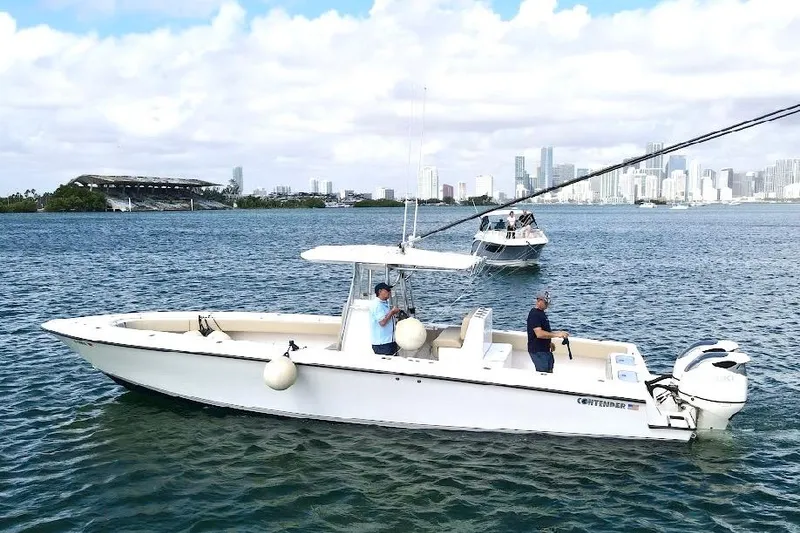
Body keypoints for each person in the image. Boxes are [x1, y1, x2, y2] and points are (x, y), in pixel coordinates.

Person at [527, 291, 569, 373]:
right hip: (538, 350)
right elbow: (539, 333)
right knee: (543, 373)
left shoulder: (542, 313)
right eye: (545, 302)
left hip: (545, 349)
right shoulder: (534, 314)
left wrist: (549, 342)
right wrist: (557, 334)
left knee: (550, 368)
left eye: (548, 303)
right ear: (539, 300)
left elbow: (545, 330)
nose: (547, 305)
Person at [370, 282, 402, 355]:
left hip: (389, 342)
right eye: (387, 290)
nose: (389, 292)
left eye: (389, 290)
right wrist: (392, 312)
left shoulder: (384, 304)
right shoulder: (377, 305)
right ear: (380, 291)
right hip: (382, 344)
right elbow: (382, 322)